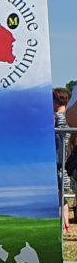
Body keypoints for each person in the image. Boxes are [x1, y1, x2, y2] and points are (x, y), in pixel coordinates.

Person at [54, 87, 71, 234]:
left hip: (59, 166)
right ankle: (65, 226)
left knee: (60, 199)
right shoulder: (66, 116)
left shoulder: (60, 118)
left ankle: (63, 227)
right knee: (63, 200)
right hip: (62, 166)